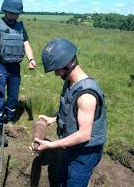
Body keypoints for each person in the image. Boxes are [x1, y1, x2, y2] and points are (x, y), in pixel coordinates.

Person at [32, 38, 107, 186]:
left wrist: (50, 145)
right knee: (62, 178)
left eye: (56, 70)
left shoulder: (86, 95)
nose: (55, 74)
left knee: (75, 182)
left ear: (67, 65)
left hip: (85, 153)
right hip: (71, 146)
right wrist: (51, 119)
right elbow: (70, 112)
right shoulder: (70, 84)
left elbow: (84, 135)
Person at [0, 0, 36, 147]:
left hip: (15, 66)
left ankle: (9, 118)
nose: (14, 15)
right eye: (12, 12)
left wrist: (31, 59)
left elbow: (26, 44)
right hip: (0, 65)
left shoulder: (20, 27)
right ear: (5, 10)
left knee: (13, 95)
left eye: (17, 13)